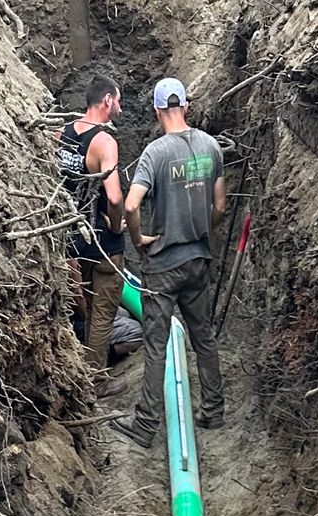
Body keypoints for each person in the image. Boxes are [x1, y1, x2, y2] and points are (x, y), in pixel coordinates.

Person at [114, 77, 226, 448]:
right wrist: (201, 228)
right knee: (203, 336)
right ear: (186, 106)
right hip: (198, 258)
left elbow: (131, 204)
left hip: (163, 265)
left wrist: (137, 239)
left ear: (157, 110)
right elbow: (220, 207)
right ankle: (213, 411)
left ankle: (145, 425)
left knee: (156, 344)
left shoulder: (155, 153)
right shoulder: (211, 146)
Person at [59, 70, 127, 379]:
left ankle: (83, 371)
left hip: (73, 236)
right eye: (119, 102)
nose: (120, 109)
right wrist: (116, 226)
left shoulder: (64, 133)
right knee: (103, 312)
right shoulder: (104, 141)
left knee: (86, 304)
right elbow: (114, 196)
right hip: (101, 239)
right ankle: (96, 379)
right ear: (107, 100)